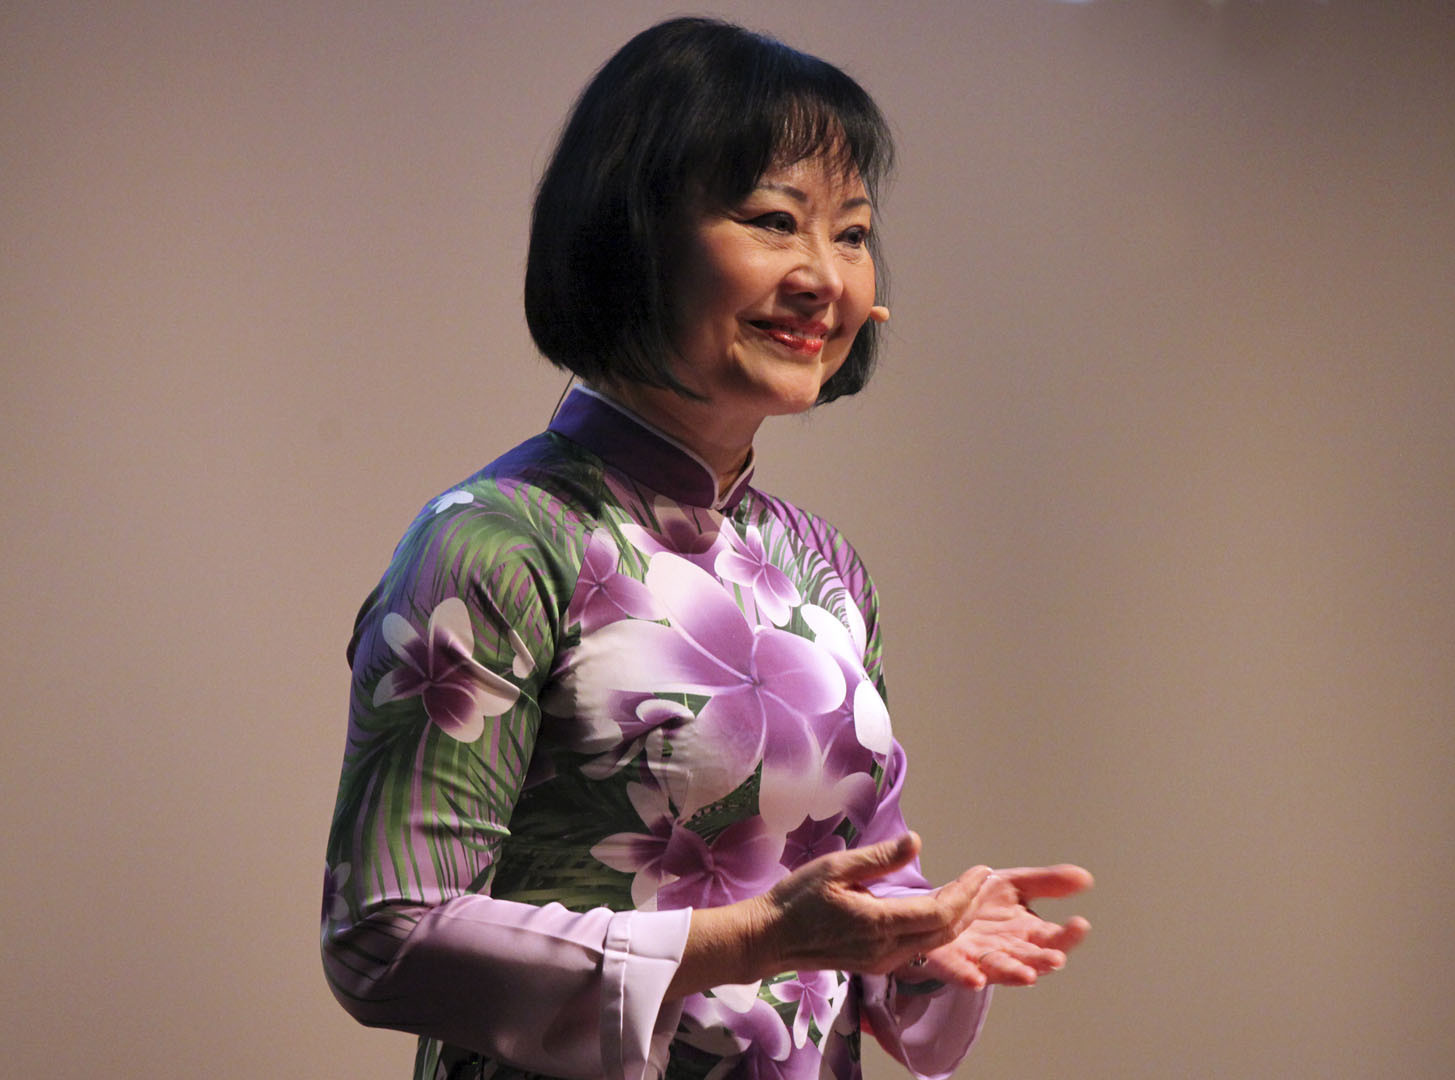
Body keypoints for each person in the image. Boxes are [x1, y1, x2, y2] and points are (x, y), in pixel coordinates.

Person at [321, 17, 1091, 1080]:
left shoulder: (823, 567)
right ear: (633, 235)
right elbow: (385, 934)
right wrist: (747, 943)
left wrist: (920, 937)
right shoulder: (496, 543)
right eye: (776, 219)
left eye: (854, 234)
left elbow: (849, 878)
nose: (825, 276)